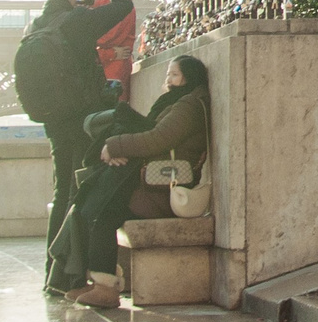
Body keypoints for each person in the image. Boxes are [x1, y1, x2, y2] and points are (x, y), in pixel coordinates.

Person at [52, 54, 211, 307]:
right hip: (152, 181)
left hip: (164, 187)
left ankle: (104, 287)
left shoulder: (188, 105)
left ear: (189, 78)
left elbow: (157, 139)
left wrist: (115, 146)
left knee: (103, 211)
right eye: (168, 74)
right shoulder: (177, 101)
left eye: (175, 75)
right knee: (94, 204)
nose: (168, 80)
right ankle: (92, 281)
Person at [30, 0, 134, 260]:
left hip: (53, 117)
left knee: (61, 189)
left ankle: (53, 265)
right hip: (81, 115)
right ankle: (69, 268)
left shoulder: (38, 24)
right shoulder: (78, 20)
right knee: (79, 189)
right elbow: (123, 4)